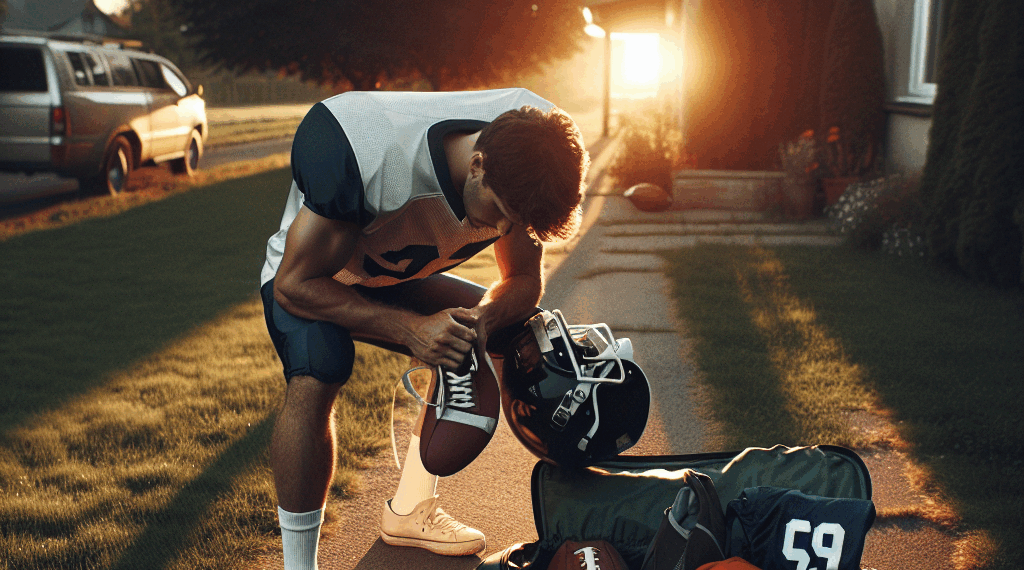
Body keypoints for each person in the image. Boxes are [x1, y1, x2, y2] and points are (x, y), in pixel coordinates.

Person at [259, 88, 590, 570]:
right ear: (477, 165)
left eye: (514, 223)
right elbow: (295, 285)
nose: (501, 229)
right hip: (318, 280)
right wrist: (412, 329)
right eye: (498, 210)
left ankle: (410, 510)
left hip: (400, 276)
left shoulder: (537, 145)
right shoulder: (359, 147)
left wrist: (481, 321)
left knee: (492, 329)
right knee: (320, 367)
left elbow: (520, 280)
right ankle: (298, 565)